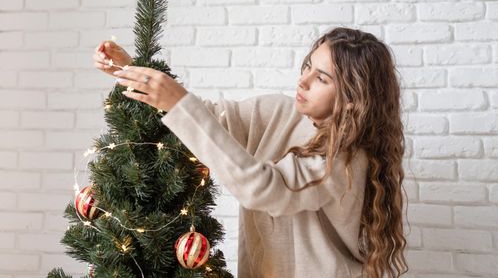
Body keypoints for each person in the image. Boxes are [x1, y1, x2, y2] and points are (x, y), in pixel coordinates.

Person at [93, 27, 408, 278]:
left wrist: (177, 103)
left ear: (352, 97)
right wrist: (133, 71)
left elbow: (264, 188)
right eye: (308, 66)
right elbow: (212, 121)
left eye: (321, 78)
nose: (303, 80)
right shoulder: (280, 112)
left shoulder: (344, 157)